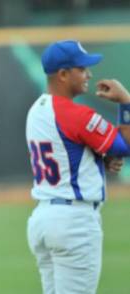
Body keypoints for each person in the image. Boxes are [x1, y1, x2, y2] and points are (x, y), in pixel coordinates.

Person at [25, 39, 130, 294]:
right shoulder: (75, 114)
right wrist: (126, 101)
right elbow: (125, 146)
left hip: (43, 219)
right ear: (63, 74)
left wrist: (98, 159)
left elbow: (70, 149)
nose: (89, 74)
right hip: (73, 223)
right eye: (82, 69)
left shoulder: (36, 110)